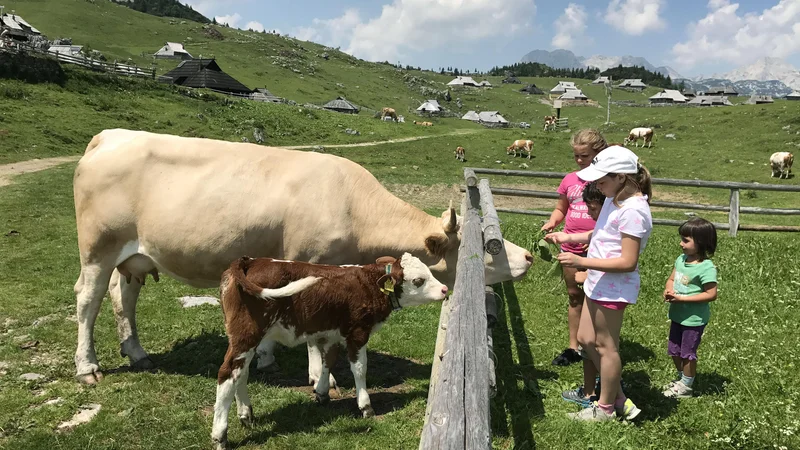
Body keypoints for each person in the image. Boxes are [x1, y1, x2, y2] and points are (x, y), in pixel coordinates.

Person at [546, 146, 653, 422]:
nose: (596, 185)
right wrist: (569, 238)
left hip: (613, 287)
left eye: (601, 179)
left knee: (606, 347)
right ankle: (617, 396)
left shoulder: (634, 210)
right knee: (584, 339)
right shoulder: (613, 198)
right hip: (598, 281)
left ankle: (604, 409)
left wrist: (582, 263)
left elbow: (628, 261)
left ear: (621, 177)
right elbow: (602, 232)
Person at [542, 129, 608, 366]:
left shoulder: (606, 181)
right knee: (574, 295)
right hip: (570, 244)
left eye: (585, 156)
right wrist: (552, 221)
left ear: (598, 154)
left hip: (597, 247)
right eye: (577, 156)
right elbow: (561, 207)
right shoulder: (570, 180)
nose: (580, 161)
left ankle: (598, 343)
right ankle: (574, 346)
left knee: (597, 296)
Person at [663, 218, 718, 398]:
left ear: (700, 243)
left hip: (693, 319)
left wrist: (682, 298)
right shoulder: (681, 260)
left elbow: (711, 294)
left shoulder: (706, 267)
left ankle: (686, 386)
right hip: (678, 315)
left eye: (686, 240)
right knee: (674, 350)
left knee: (687, 353)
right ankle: (681, 379)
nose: (681, 244)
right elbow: (672, 279)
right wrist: (668, 289)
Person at [574, 181, 604, 286]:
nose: (588, 212)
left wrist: (587, 272)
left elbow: (614, 257)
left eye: (593, 208)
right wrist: (566, 237)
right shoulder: (606, 225)